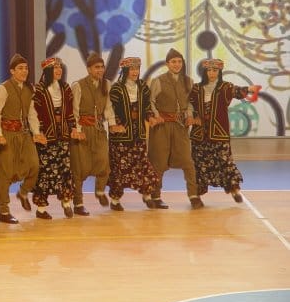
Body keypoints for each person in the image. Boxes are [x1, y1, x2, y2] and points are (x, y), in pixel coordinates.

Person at [188, 59, 259, 203]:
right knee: (199, 163)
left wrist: (249, 89)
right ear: (204, 72)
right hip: (200, 133)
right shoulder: (196, 88)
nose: (211, 73)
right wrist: (193, 116)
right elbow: (190, 104)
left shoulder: (225, 87)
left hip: (219, 131)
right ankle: (196, 196)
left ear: (219, 72)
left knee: (225, 161)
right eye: (209, 70)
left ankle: (234, 190)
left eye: (215, 70)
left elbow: (238, 91)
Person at [0, 53, 46, 224]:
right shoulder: (2, 89)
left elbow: (31, 113)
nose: (24, 71)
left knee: (34, 165)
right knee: (4, 173)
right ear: (12, 71)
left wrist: (36, 132)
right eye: (20, 68)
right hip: (6, 135)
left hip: (24, 134)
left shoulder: (29, 89)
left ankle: (23, 192)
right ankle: (4, 211)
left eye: (26, 68)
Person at [148, 48, 203, 209]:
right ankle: (155, 196)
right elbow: (151, 101)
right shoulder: (158, 81)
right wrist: (156, 116)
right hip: (162, 127)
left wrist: (189, 116)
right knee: (159, 162)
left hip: (180, 127)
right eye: (173, 62)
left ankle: (193, 196)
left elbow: (191, 103)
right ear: (167, 64)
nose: (177, 64)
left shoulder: (188, 81)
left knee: (187, 162)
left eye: (179, 61)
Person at [106, 57, 159, 211]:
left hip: (138, 134)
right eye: (132, 69)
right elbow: (110, 110)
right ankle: (115, 200)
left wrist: (150, 117)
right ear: (125, 71)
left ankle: (147, 196)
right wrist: (115, 125)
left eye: (137, 69)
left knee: (143, 165)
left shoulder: (142, 87)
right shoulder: (116, 89)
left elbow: (147, 107)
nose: (135, 72)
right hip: (121, 136)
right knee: (120, 168)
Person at [70, 53, 118, 216]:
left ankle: (99, 190)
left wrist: (112, 124)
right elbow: (74, 110)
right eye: (96, 67)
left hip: (98, 129)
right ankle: (78, 203)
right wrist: (77, 130)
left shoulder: (107, 84)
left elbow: (108, 107)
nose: (100, 70)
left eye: (102, 67)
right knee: (80, 167)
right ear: (89, 69)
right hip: (82, 129)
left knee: (104, 162)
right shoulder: (78, 85)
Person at [32, 57, 78, 219]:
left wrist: (73, 128)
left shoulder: (65, 88)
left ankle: (66, 203)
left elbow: (70, 111)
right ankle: (41, 208)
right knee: (46, 170)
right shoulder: (38, 90)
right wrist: (38, 132)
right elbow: (34, 113)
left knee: (65, 168)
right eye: (55, 68)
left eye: (60, 67)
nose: (59, 70)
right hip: (46, 135)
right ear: (47, 71)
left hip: (63, 134)